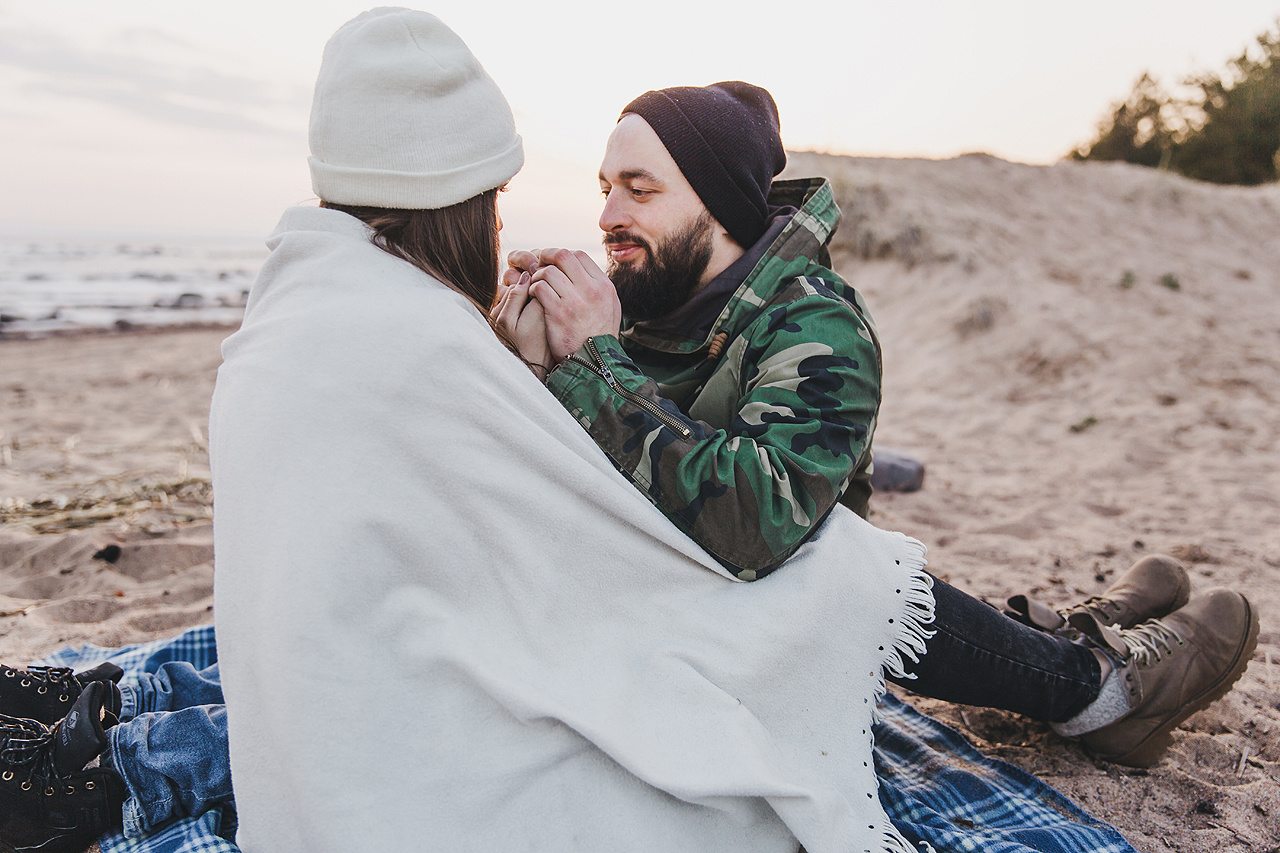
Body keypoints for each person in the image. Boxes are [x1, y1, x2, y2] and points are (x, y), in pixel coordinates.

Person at [0, 16, 1258, 853]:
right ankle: (1080, 643)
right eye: (599, 182)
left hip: (755, 593)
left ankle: (1101, 683)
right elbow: (547, 499)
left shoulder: (815, 328)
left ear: (719, 205)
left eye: (638, 188)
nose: (604, 210)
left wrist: (589, 365)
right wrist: (514, 365)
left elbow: (757, 529)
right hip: (663, 608)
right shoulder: (632, 302)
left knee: (855, 573)